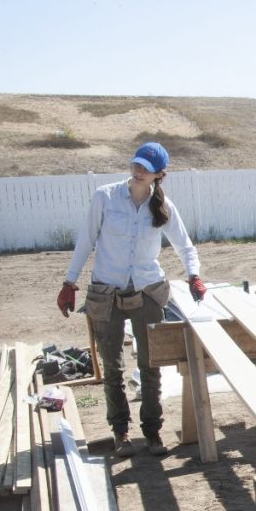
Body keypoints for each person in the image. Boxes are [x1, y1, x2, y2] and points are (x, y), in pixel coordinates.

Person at [56, 142, 208, 458]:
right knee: (112, 367)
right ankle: (120, 433)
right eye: (135, 164)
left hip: (148, 291)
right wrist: (69, 282)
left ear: (159, 174)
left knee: (150, 365)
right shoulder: (105, 197)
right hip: (106, 294)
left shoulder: (163, 207)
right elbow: (85, 241)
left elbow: (185, 246)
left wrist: (193, 274)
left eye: (146, 168)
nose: (138, 171)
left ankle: (152, 433)